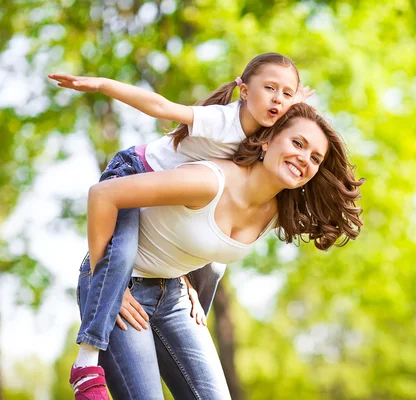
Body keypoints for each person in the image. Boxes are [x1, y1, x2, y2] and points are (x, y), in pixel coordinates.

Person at [48, 52, 315, 397]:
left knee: (215, 266)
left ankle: (180, 317)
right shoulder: (222, 121)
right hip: (137, 172)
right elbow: (160, 106)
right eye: (269, 89)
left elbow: (302, 131)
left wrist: (300, 104)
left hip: (171, 233)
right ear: (243, 90)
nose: (278, 99)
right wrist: (102, 85)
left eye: (286, 93)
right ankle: (87, 362)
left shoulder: (269, 139)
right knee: (123, 253)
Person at [78, 103, 363, 398]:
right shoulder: (209, 181)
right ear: (267, 140)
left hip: (174, 295)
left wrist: (186, 273)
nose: (303, 158)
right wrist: (108, 286)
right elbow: (104, 195)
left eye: (315, 157)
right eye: (297, 143)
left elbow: (201, 237)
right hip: (122, 286)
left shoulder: (280, 210)